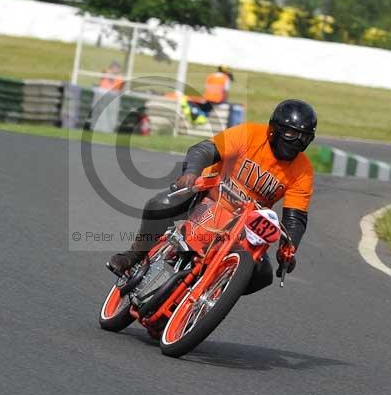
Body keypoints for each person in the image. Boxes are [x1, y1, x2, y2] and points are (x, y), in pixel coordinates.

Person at [107, 99, 317, 293]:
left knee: (261, 275)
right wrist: (191, 173)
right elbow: (205, 149)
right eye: (291, 134)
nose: (297, 142)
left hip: (244, 223)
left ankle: (208, 297)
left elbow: (295, 218)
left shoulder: (303, 170)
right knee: (161, 204)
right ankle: (135, 255)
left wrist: (289, 248)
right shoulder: (250, 134)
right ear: (274, 130)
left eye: (304, 137)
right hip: (208, 193)